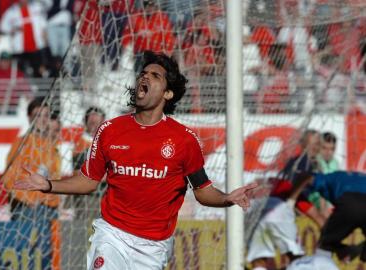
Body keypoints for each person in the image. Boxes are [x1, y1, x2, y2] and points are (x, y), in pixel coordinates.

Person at [13, 51, 258, 270]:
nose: (145, 77)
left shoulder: (184, 140)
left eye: (155, 75)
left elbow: (203, 191)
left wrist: (226, 198)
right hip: (111, 235)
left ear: (168, 93)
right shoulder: (110, 130)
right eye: (143, 73)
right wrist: (48, 185)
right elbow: (88, 181)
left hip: (154, 246)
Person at [3, 97, 61, 222]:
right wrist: (28, 200)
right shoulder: (21, 143)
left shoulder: (51, 145)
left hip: (50, 208)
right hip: (27, 209)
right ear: (29, 118)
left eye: (46, 115)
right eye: (37, 115)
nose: (42, 120)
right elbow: (9, 178)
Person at [292, 171, 366, 262]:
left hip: (351, 203)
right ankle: (354, 250)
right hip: (354, 202)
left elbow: (306, 176)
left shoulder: (326, 179)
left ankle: (324, 263)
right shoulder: (352, 177)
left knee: (325, 244)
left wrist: (292, 198)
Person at [69, 106, 106, 219]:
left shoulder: (108, 140)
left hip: (106, 195)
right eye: (91, 119)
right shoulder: (80, 144)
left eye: (97, 117)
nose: (94, 121)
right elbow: (78, 172)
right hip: (87, 198)